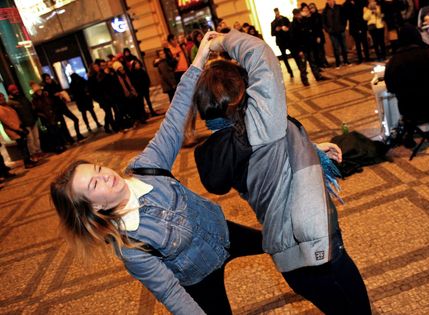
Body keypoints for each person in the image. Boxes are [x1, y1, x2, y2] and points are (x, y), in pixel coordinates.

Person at [50, 32, 263, 315]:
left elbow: (174, 120)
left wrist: (198, 59)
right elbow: (171, 294)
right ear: (95, 206)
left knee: (278, 243)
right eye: (94, 183)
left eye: (99, 169)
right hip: (200, 278)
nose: (105, 175)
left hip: (223, 232)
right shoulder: (131, 246)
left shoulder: (146, 167)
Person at [193, 29, 371, 314]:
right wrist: (219, 42)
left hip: (290, 257)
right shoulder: (259, 122)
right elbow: (260, 54)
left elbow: (268, 158)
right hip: (316, 251)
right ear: (241, 91)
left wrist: (310, 149)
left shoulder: (221, 144)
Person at [384, 25, 429, 147]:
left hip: (408, 110)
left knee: (407, 99)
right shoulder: (428, 54)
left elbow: (391, 88)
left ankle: (409, 135)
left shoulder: (393, 62)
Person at [41, 73, 86, 142]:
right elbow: (48, 98)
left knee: (75, 119)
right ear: (44, 80)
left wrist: (61, 95)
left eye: (49, 78)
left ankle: (78, 135)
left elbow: (61, 91)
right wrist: (54, 95)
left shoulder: (55, 84)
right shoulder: (46, 89)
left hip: (62, 106)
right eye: (47, 79)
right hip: (56, 108)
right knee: (63, 125)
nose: (49, 80)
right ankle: (69, 139)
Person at [291, 8, 327, 86]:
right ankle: (305, 80)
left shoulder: (304, 21)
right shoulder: (293, 25)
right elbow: (295, 39)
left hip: (309, 46)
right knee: (303, 65)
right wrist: (299, 50)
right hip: (302, 49)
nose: (300, 15)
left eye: (300, 13)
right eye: (298, 14)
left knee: (313, 62)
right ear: (295, 15)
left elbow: (311, 27)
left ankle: (318, 76)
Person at [0, 93, 38, 169]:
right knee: (22, 147)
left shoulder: (7, 106)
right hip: (14, 131)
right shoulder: (1, 109)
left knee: (24, 146)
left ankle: (28, 160)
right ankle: (27, 162)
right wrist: (18, 129)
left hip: (18, 128)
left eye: (3, 97)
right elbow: (7, 121)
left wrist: (21, 125)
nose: (3, 98)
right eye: (1, 97)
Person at [30, 82, 67, 153]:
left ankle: (61, 145)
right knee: (51, 133)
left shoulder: (46, 96)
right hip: (45, 119)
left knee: (57, 131)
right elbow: (36, 110)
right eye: (37, 91)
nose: (39, 92)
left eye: (40, 90)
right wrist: (43, 116)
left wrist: (53, 112)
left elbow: (52, 105)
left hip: (52, 116)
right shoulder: (34, 100)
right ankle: (56, 147)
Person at [7, 84, 42, 157]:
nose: (15, 91)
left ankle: (38, 151)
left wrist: (34, 116)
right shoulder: (12, 102)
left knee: (36, 137)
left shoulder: (23, 97)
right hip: (24, 123)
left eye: (15, 89)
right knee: (30, 139)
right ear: (10, 92)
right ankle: (33, 153)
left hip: (32, 119)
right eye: (13, 90)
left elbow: (30, 107)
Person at [88, 61, 118, 133]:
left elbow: (107, 83)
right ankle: (114, 128)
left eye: (97, 66)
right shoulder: (91, 78)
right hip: (101, 98)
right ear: (92, 69)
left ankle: (106, 127)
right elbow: (92, 91)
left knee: (108, 113)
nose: (97, 68)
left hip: (108, 96)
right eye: (95, 67)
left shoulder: (102, 74)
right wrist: (98, 99)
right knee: (108, 112)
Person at [323, 0, 351, 68]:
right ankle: (338, 63)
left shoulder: (339, 7)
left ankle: (346, 61)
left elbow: (344, 17)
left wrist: (343, 26)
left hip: (341, 30)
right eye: (329, 1)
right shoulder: (325, 10)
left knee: (344, 47)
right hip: (332, 32)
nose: (330, 2)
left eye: (331, 0)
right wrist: (328, 30)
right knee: (336, 48)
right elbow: (324, 22)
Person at [271, 8, 295, 78]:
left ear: (279, 11)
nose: (277, 13)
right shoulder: (273, 23)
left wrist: (287, 29)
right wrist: (276, 30)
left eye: (277, 11)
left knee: (294, 54)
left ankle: (300, 68)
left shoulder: (285, 19)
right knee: (284, 58)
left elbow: (291, 27)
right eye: (275, 12)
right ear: (274, 13)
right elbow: (272, 33)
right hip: (281, 42)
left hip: (288, 40)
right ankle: (290, 71)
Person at [308, 3, 330, 68]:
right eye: (311, 8)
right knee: (317, 51)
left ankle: (324, 62)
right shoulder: (310, 17)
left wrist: (319, 36)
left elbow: (320, 26)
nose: (312, 9)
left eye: (313, 7)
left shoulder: (319, 15)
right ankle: (321, 63)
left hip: (319, 35)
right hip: (314, 36)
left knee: (322, 50)